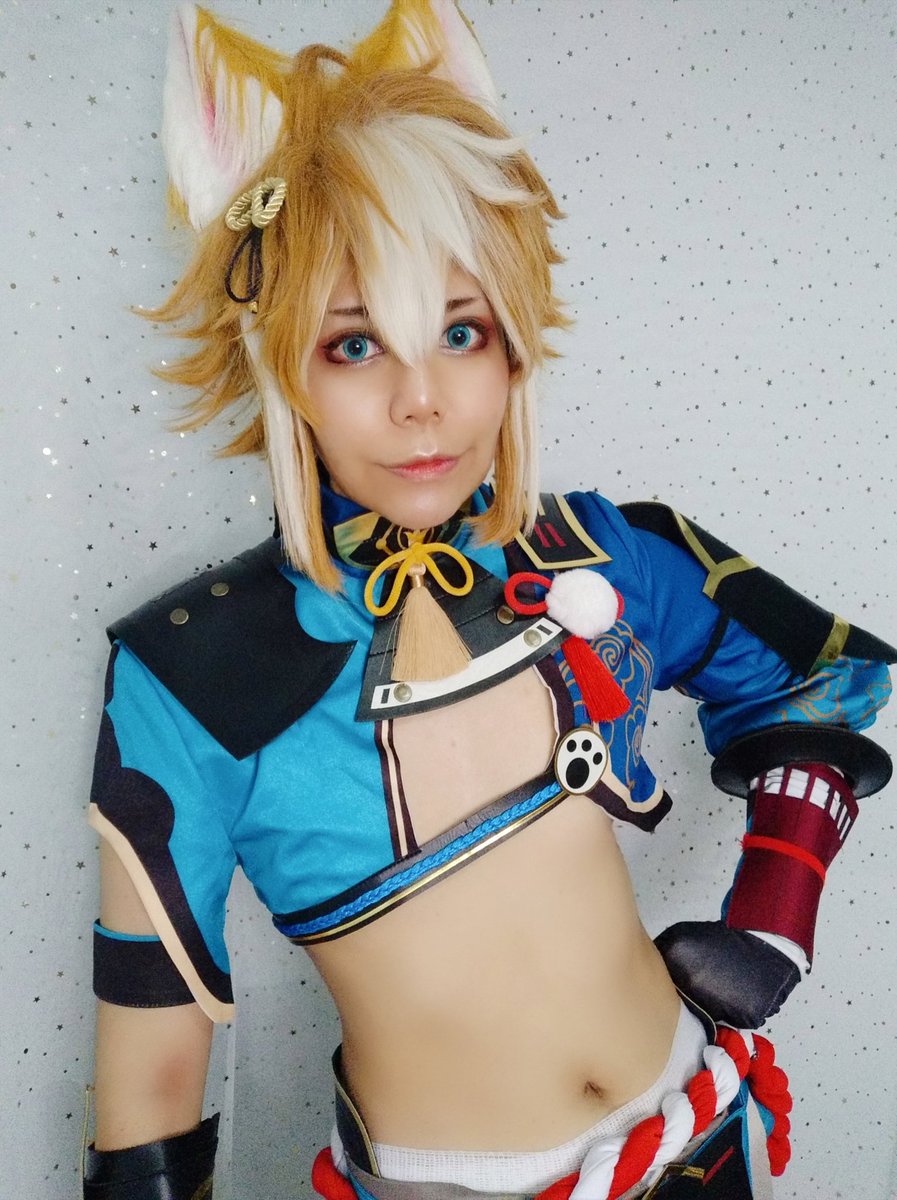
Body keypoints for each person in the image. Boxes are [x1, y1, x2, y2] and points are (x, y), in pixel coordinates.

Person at [82, 3, 895, 1198]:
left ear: (510, 341)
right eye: (354, 344)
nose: (423, 399)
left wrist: (775, 910)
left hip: (704, 1136)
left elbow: (821, 675)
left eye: (459, 330)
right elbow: (150, 1093)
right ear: (280, 367)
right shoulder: (190, 674)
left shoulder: (608, 554)